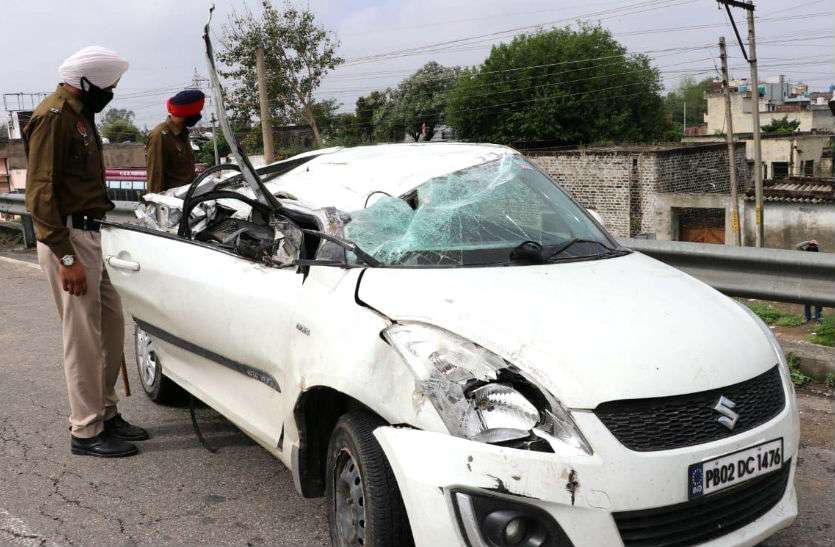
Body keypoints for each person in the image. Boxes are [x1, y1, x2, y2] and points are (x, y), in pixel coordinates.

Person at [24, 46, 148, 458]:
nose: (112, 91)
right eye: (109, 85)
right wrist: (67, 257)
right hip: (69, 240)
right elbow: (40, 196)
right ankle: (85, 429)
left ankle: (106, 412)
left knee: (111, 327)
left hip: (94, 236)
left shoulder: (80, 115)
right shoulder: (53, 117)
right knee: (82, 338)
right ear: (87, 82)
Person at [145, 89, 205, 194]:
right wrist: (154, 205)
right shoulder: (160, 135)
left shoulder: (182, 134)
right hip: (171, 203)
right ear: (187, 113)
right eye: (197, 112)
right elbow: (155, 177)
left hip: (186, 199)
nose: (199, 116)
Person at [796, 239, 823, 322]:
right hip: (806, 281)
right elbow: (797, 246)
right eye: (810, 246)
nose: (812, 247)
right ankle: (807, 318)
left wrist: (816, 244)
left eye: (813, 246)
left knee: (818, 300)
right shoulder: (804, 254)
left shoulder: (820, 256)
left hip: (817, 281)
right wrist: (808, 242)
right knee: (807, 300)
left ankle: (818, 318)